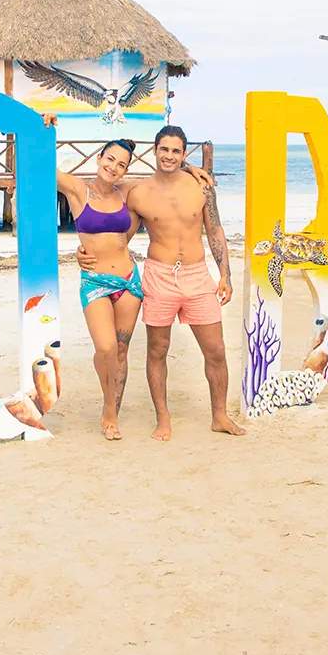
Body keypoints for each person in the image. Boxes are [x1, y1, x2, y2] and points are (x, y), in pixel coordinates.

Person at [81, 124, 245, 441]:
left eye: (176, 151)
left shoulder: (203, 188)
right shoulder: (139, 193)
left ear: (184, 154)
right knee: (157, 350)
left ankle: (220, 416)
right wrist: (84, 252)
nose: (169, 156)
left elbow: (215, 230)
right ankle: (163, 418)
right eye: (164, 149)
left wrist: (225, 274)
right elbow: (118, 238)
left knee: (216, 350)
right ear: (154, 151)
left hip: (198, 276)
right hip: (159, 275)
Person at [47, 127, 143, 441]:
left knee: (120, 352)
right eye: (110, 159)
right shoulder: (79, 190)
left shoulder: (126, 192)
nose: (114, 167)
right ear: (98, 157)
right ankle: (108, 402)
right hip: (96, 282)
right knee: (105, 347)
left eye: (121, 164)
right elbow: (43, 161)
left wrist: (194, 171)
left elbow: (165, 184)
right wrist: (45, 127)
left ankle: (110, 412)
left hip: (129, 281)